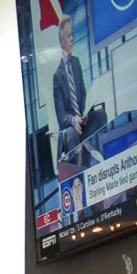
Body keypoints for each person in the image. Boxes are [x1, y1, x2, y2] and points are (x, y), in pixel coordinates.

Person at [53, 15, 92, 170]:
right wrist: (74, 120)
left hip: (82, 118)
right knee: (71, 134)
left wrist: (85, 112)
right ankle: (79, 173)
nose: (72, 39)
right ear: (62, 40)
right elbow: (61, 117)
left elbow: (82, 92)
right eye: (69, 35)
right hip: (71, 125)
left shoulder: (76, 62)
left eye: (73, 35)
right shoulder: (57, 76)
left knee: (101, 116)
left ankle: (97, 167)